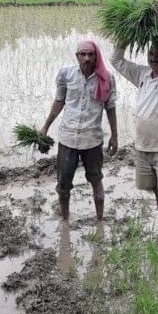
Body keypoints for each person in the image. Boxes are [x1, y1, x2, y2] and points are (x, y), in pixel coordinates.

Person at [110, 24, 158, 258]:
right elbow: (116, 60)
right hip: (142, 148)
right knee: (156, 193)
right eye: (151, 54)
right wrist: (127, 30)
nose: (154, 58)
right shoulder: (142, 74)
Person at [41, 40, 118, 222]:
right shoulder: (66, 74)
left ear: (96, 56)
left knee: (96, 179)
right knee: (63, 184)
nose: (87, 58)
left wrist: (114, 136)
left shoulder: (106, 78)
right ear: (77, 56)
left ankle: (100, 220)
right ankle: (66, 221)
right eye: (82, 54)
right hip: (68, 139)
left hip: (92, 140)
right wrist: (45, 127)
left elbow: (110, 108)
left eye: (90, 54)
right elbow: (59, 101)